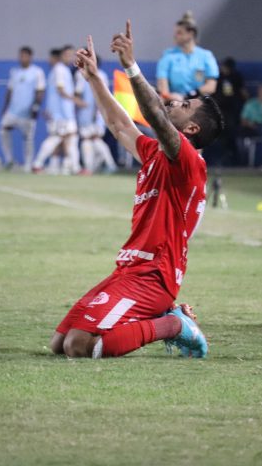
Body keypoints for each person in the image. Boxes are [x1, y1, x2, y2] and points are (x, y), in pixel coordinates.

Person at [49, 21, 224, 359]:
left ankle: (174, 325)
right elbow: (119, 125)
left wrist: (130, 66)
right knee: (59, 345)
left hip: (152, 277)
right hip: (129, 271)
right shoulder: (156, 153)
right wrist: (95, 79)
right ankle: (165, 317)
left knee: (79, 345)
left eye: (184, 106)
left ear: (191, 128)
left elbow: (156, 114)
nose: (175, 103)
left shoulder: (187, 161)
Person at [32, 46, 82, 174]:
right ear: (61, 56)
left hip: (65, 113)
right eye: (67, 55)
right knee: (57, 137)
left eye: (72, 55)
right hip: (61, 114)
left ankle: (74, 167)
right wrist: (76, 100)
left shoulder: (63, 70)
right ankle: (38, 163)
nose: (70, 57)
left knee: (70, 138)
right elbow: (60, 90)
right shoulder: (60, 70)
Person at [0, 46, 46, 172]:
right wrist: (5, 108)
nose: (22, 58)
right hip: (12, 111)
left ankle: (28, 163)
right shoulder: (14, 72)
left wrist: (36, 107)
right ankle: (9, 160)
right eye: (20, 56)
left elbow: (40, 91)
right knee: (3, 129)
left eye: (25, 56)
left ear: (30, 57)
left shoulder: (37, 72)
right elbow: (10, 90)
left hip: (27, 112)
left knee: (28, 139)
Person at [156, 11, 219, 102]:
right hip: (174, 102)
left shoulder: (206, 56)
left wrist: (188, 96)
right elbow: (162, 85)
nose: (175, 36)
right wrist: (170, 97)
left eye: (179, 33)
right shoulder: (168, 55)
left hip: (197, 103)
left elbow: (211, 86)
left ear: (191, 34)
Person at [75, 54, 117, 174]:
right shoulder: (85, 74)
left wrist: (94, 112)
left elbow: (100, 95)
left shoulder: (96, 75)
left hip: (94, 114)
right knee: (94, 140)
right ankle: (107, 165)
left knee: (88, 139)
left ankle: (91, 167)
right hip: (91, 113)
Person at [209, 57, 248, 166]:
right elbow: (211, 91)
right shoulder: (218, 77)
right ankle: (222, 158)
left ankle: (233, 159)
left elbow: (242, 92)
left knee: (231, 134)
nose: (224, 69)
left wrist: (247, 102)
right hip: (218, 110)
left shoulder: (236, 76)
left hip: (232, 111)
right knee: (219, 134)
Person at [239, 83, 262, 167]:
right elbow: (243, 120)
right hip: (251, 126)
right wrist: (250, 124)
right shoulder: (251, 103)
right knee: (239, 133)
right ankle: (242, 161)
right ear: (259, 91)